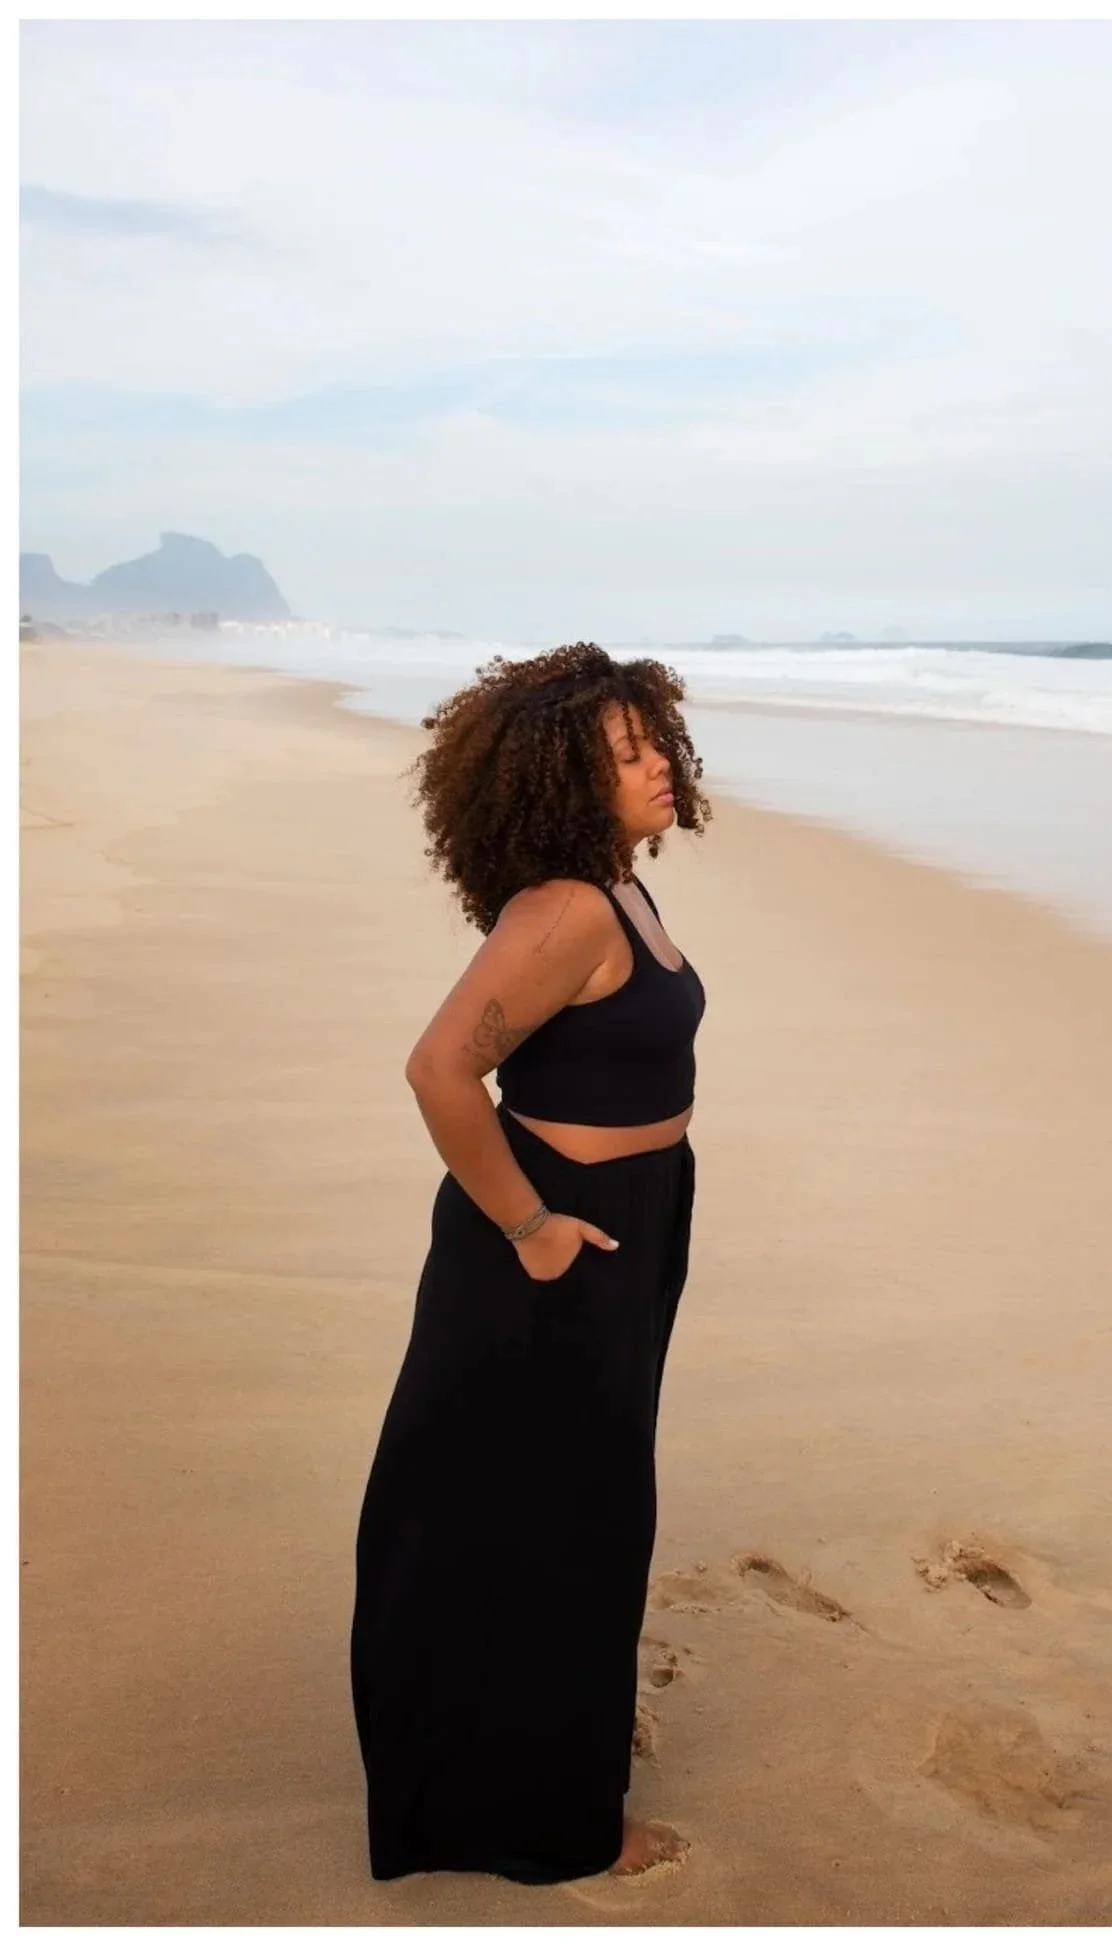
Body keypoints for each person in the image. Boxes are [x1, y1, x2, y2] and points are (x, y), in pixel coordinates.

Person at [350, 641, 712, 1885]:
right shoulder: (566, 910)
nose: (660, 765)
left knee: (564, 1511)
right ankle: (557, 1826)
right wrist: (531, 1227)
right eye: (627, 754)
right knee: (559, 1524)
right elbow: (439, 1070)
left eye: (656, 740)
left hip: (630, 1220)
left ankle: (514, 1784)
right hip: (556, 1235)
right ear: (564, 777)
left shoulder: (620, 887)